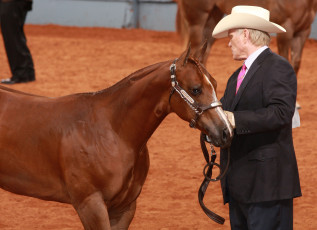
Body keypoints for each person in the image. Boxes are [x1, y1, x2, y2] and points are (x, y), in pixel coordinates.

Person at [212, 5, 302, 230]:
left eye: (231, 35)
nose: (228, 42)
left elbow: (281, 113)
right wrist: (212, 129)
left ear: (245, 33)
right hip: (240, 185)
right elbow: (224, 116)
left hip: (267, 186)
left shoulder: (278, 67)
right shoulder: (236, 77)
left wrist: (235, 120)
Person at [0, 0, 35, 84]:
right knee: (14, 35)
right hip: (14, 3)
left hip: (12, 3)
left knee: (12, 35)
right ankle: (25, 73)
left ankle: (22, 74)